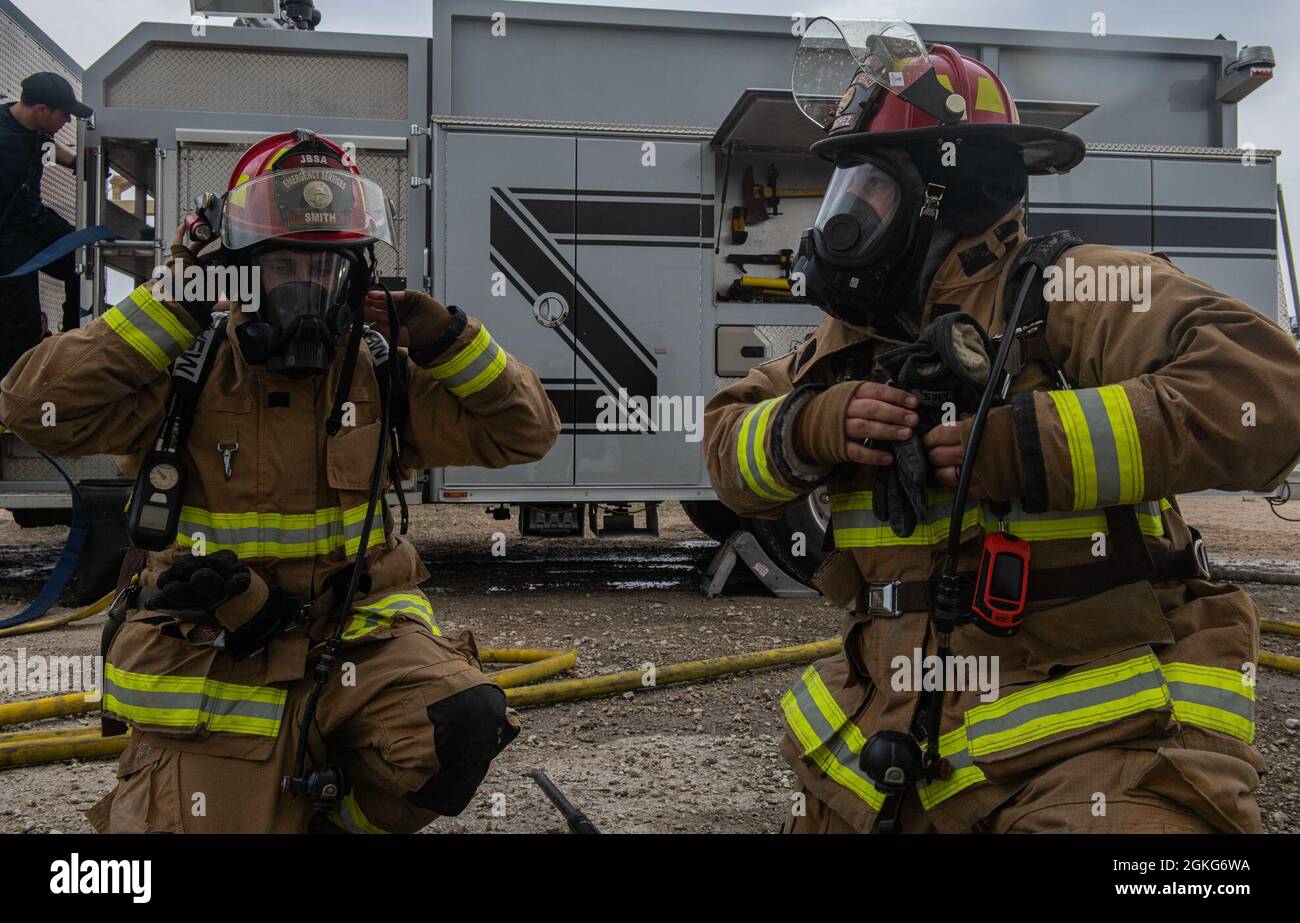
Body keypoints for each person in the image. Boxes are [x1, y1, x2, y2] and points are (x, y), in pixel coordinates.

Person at [704, 18, 1300, 833]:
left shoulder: (1072, 289)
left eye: (872, 192)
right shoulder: (849, 346)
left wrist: (1033, 444)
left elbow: (1269, 391)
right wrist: (808, 425)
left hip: (1096, 747)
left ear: (951, 190)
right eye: (849, 197)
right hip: (896, 748)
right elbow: (724, 444)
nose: (843, 227)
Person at [0, 129, 561, 833]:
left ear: (354, 275)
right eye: (283, 262)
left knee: (465, 720)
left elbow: (529, 430)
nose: (304, 285)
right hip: (217, 659)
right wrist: (173, 300)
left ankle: (337, 821)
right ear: (235, 268)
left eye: (322, 266)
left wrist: (451, 339)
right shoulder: (189, 367)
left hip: (354, 641)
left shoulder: (378, 370)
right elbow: (30, 407)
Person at [0, 71, 89, 375]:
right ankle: (13, 402)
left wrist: (83, 162)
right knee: (20, 327)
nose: (67, 122)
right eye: (65, 116)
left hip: (34, 224)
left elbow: (54, 151)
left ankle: (73, 346)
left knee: (84, 259)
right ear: (42, 110)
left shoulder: (38, 130)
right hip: (6, 239)